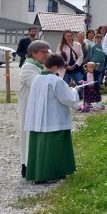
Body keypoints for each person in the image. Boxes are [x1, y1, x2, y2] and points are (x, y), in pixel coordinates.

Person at [23, 53, 80, 184]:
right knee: (54, 148)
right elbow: (67, 99)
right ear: (55, 67)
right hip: (54, 119)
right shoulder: (56, 80)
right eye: (60, 68)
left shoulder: (37, 78)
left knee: (40, 148)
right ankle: (52, 174)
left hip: (39, 119)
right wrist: (75, 91)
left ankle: (38, 173)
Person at [18, 40, 50, 178]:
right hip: (29, 107)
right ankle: (27, 166)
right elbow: (37, 85)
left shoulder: (41, 66)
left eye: (47, 51)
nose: (46, 55)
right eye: (43, 52)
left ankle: (40, 166)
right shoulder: (28, 67)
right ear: (33, 53)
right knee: (29, 136)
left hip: (40, 106)